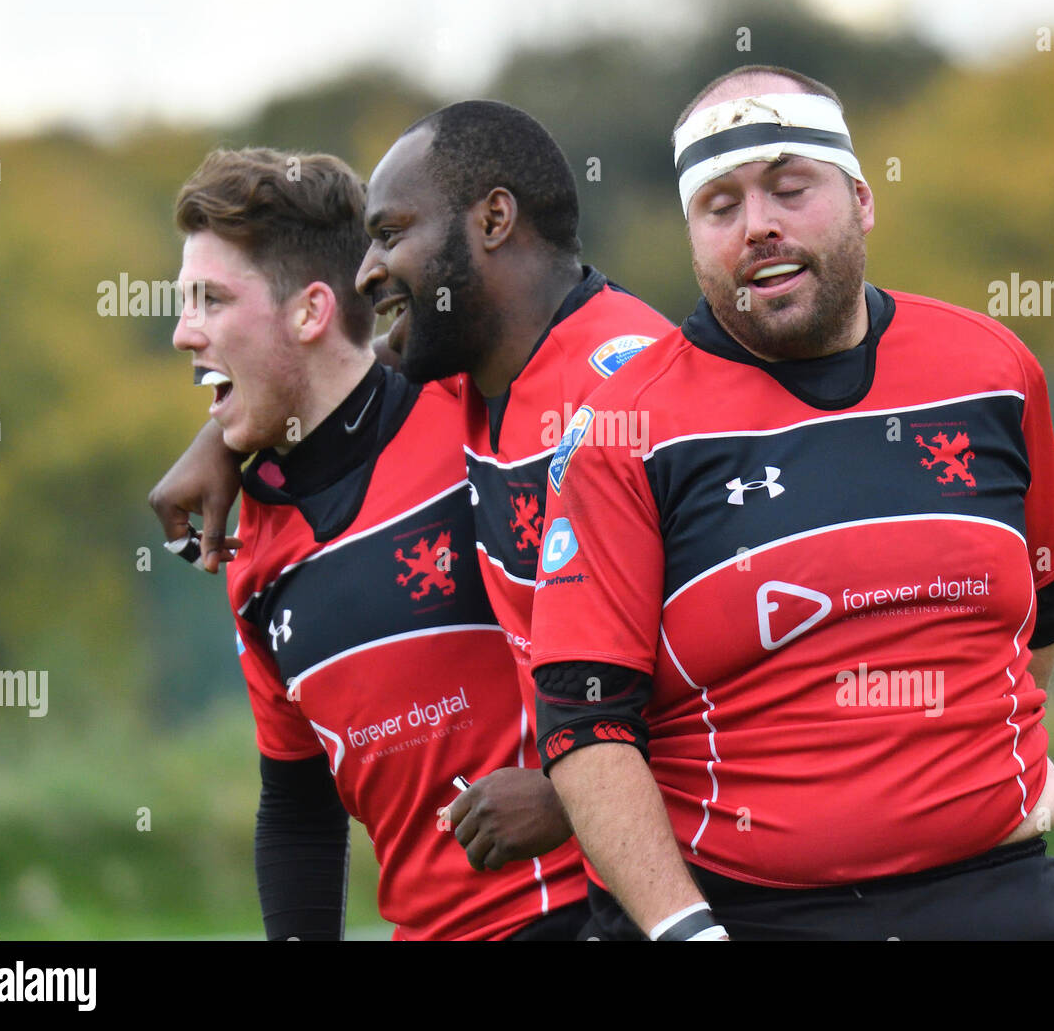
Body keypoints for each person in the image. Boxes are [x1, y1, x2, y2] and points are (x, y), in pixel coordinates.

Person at [530, 65, 1054, 941]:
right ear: (693, 238)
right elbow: (581, 715)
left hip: (998, 900)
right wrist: (685, 931)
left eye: (790, 189)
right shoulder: (623, 428)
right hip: (748, 918)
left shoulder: (994, 369)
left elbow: (1047, 600)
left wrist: (986, 770)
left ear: (862, 199)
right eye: (720, 206)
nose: (759, 226)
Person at [149, 103, 674, 899]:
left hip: (604, 902)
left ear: (312, 310)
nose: (184, 333)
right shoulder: (249, 538)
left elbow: (700, 666)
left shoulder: (481, 399)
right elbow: (297, 803)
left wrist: (570, 793)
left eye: (212, 301)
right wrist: (225, 438)